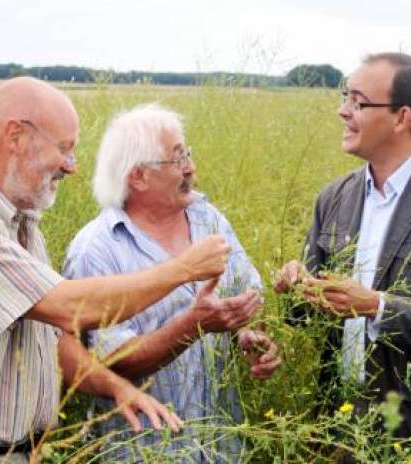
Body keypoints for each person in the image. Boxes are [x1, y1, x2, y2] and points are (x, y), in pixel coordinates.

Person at [0, 77, 233, 463]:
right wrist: (183, 269)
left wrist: (116, 388)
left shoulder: (22, 226)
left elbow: (53, 340)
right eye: (64, 149)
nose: (71, 166)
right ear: (15, 136)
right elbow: (69, 307)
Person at [274, 52, 411, 438]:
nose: (343, 112)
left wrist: (377, 307)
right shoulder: (334, 198)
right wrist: (297, 289)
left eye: (358, 102)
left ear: (401, 117)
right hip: (337, 418)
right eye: (345, 99)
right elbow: (305, 319)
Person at [64, 103, 282, 461]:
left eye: (188, 155)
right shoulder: (97, 249)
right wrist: (193, 325)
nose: (191, 168)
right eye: (177, 159)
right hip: (148, 452)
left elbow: (246, 290)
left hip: (220, 449)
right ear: (138, 176)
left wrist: (245, 331)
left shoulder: (206, 217)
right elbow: (114, 360)